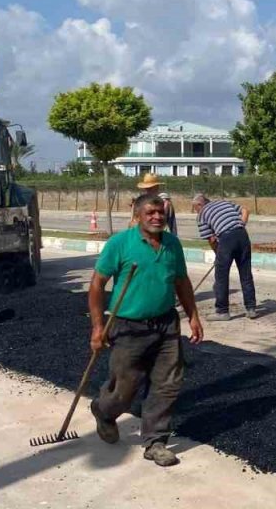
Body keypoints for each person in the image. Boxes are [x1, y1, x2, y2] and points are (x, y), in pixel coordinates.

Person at [88, 194, 204, 467]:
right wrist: (97, 327)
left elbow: (181, 281)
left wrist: (194, 316)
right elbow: (96, 285)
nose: (157, 217)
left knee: (167, 384)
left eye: (161, 212)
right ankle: (103, 410)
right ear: (138, 215)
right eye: (150, 212)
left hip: (165, 323)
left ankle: (155, 442)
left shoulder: (172, 244)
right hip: (128, 326)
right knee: (124, 389)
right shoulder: (120, 243)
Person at [192, 193, 256, 321]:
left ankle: (222, 311)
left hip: (226, 239)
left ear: (200, 204)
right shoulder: (223, 202)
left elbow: (210, 239)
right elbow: (245, 210)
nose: (195, 212)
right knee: (245, 273)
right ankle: (251, 308)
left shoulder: (202, 215)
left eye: (195, 208)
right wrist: (240, 225)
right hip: (242, 235)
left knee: (221, 276)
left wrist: (218, 254)